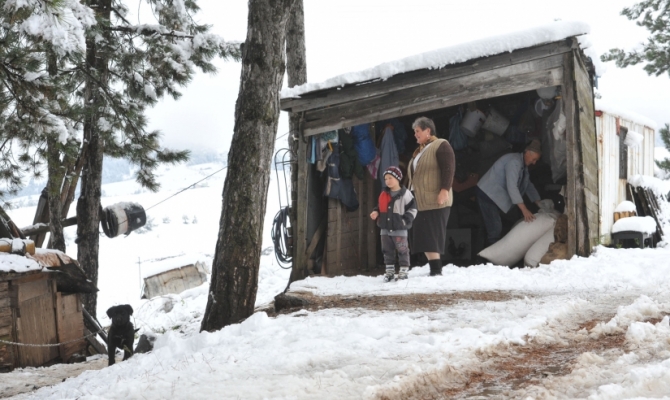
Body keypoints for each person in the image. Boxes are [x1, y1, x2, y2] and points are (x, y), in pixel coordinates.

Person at [407, 117, 455, 276]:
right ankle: (434, 268)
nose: (415, 135)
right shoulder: (420, 150)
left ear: (428, 130)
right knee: (423, 235)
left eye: (418, 131)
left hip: (435, 200)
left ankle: (436, 270)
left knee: (432, 235)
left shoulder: (441, 145)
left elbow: (448, 168)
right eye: (414, 132)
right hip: (421, 201)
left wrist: (444, 190)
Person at [476, 139, 543, 245]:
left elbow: (528, 185)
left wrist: (539, 202)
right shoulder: (514, 162)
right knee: (495, 228)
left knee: (492, 224)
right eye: (534, 159)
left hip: (495, 195)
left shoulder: (523, 166)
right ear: (527, 153)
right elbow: (512, 187)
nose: (534, 162)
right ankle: (490, 251)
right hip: (488, 194)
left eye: (536, 160)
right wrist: (524, 209)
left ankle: (489, 244)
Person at [370, 166, 417, 282]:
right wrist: (376, 212)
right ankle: (389, 271)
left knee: (402, 250)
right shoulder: (383, 194)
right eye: (385, 179)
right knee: (387, 250)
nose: (387, 181)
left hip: (400, 229)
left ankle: (404, 270)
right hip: (385, 229)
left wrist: (404, 221)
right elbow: (379, 207)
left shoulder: (406, 194)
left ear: (398, 178)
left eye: (390, 178)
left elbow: (413, 209)